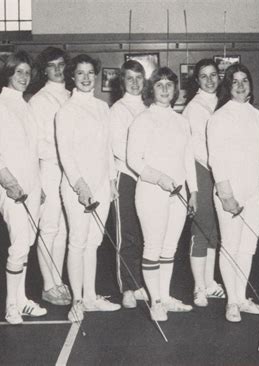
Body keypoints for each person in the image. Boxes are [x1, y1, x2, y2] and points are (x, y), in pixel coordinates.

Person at [127, 67, 197, 321]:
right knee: (153, 246)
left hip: (178, 193)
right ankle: (155, 301)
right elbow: (133, 159)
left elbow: (188, 158)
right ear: (151, 89)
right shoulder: (143, 120)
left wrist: (194, 191)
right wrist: (159, 178)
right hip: (150, 192)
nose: (165, 89)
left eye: (170, 84)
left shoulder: (182, 121)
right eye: (159, 85)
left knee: (170, 248)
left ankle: (165, 297)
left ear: (175, 90)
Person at [56, 54, 121, 322]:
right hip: (77, 188)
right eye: (80, 73)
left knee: (93, 243)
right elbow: (66, 153)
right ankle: (77, 300)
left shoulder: (102, 107)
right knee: (77, 242)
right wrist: (79, 185)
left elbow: (107, 149)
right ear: (72, 76)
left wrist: (112, 181)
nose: (85, 78)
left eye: (90, 73)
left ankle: (92, 297)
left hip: (102, 185)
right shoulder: (66, 110)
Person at [0, 50, 47, 325]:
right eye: (18, 72)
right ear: (8, 74)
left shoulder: (26, 105)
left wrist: (39, 185)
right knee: (19, 244)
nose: (24, 77)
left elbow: (32, 151)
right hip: (12, 188)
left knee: (28, 243)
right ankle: (11, 306)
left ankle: (22, 300)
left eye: (27, 72)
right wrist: (10, 184)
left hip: (32, 186)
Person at [207, 63, 259, 322]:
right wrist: (226, 195)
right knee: (230, 247)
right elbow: (216, 160)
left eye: (245, 80)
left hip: (253, 191)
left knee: (248, 248)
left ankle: (241, 297)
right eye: (235, 81)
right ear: (228, 86)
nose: (241, 85)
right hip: (229, 193)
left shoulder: (257, 115)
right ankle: (231, 302)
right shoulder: (219, 117)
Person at [29, 47, 71, 306]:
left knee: (64, 229)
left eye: (61, 64)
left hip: (71, 171)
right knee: (49, 228)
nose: (57, 69)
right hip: (50, 168)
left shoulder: (71, 95)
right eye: (52, 65)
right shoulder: (39, 100)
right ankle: (48, 285)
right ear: (44, 70)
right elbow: (36, 145)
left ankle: (57, 279)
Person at [183, 59, 226, 307]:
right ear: (196, 80)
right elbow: (198, 149)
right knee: (201, 229)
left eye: (213, 75)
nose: (209, 80)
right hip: (202, 171)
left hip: (219, 171)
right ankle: (199, 287)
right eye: (204, 76)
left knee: (213, 232)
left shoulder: (221, 103)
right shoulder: (195, 107)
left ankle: (209, 283)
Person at [109, 60, 149, 308]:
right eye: (130, 78)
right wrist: (141, 167)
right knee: (128, 234)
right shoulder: (117, 110)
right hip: (126, 176)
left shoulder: (148, 108)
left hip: (148, 178)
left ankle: (141, 283)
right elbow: (118, 147)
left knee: (147, 233)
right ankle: (127, 287)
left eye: (139, 78)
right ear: (122, 81)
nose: (135, 83)